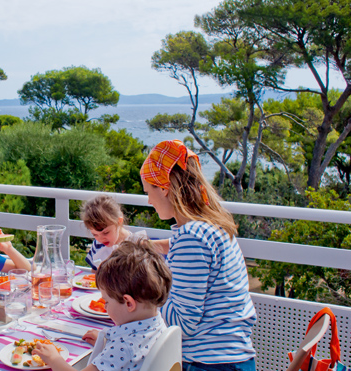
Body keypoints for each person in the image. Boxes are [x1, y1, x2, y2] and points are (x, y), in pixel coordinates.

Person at [140, 139, 257, 371]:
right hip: (234, 357)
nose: (149, 201)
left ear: (164, 188)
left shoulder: (191, 238)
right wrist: (145, 245)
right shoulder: (211, 225)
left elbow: (182, 323)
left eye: (148, 192)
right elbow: (180, 248)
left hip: (209, 364)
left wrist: (140, 292)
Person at [33, 238, 172, 371]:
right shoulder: (156, 322)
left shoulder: (123, 348)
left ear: (129, 303)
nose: (105, 307)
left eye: (106, 301)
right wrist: (106, 344)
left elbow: (125, 353)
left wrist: (54, 359)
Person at [80, 194, 148, 271]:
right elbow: (94, 272)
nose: (100, 239)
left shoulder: (136, 243)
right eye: (94, 234)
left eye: (106, 233)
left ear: (119, 222)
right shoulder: (97, 245)